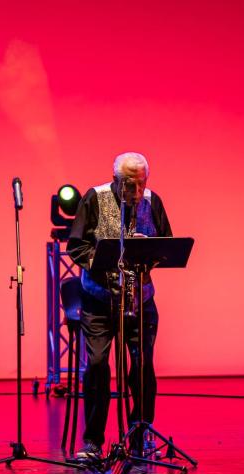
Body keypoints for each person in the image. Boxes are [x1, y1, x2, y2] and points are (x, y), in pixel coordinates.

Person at [67, 152, 172, 457]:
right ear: (115, 180)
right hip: (99, 300)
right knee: (98, 365)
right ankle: (92, 442)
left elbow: (166, 242)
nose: (135, 193)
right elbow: (77, 245)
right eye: (129, 186)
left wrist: (146, 251)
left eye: (140, 185)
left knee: (141, 368)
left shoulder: (152, 201)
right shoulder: (95, 198)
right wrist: (106, 261)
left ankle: (140, 436)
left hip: (140, 299)